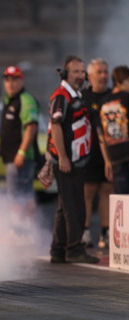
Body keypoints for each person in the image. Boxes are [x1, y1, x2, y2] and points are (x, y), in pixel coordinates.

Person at [47, 55, 99, 264]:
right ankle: (75, 248)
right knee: (75, 207)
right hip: (67, 162)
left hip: (76, 160)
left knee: (65, 207)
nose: (80, 75)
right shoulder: (61, 95)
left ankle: (58, 250)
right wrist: (63, 157)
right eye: (76, 71)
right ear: (65, 73)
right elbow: (56, 126)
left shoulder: (76, 94)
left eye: (82, 71)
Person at [0, 65, 39, 209]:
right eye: (7, 80)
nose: (10, 84)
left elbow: (31, 127)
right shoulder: (9, 100)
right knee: (18, 194)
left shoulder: (25, 100)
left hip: (20, 158)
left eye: (14, 80)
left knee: (19, 196)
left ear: (21, 81)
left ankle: (22, 222)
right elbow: (9, 130)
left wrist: (21, 152)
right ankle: (25, 222)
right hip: (11, 156)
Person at [81, 58, 113, 248]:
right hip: (88, 152)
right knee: (88, 191)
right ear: (90, 76)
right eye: (99, 72)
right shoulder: (83, 97)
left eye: (105, 72)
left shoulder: (113, 96)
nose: (103, 76)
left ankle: (105, 232)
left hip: (109, 153)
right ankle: (85, 232)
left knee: (107, 191)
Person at [98, 65, 129, 194]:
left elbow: (101, 135)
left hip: (114, 157)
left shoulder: (103, 103)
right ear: (123, 80)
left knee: (122, 199)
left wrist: (107, 160)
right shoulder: (127, 97)